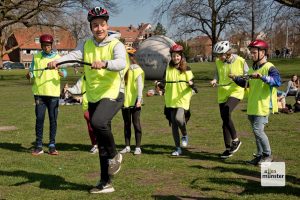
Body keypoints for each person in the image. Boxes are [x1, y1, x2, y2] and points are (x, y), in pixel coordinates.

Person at [47, 6, 129, 193]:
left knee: (98, 122)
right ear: (91, 27)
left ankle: (115, 155)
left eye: (102, 25)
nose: (99, 28)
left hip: (113, 93)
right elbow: (73, 56)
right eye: (95, 25)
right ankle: (105, 182)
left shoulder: (116, 45)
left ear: (107, 25)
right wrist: (57, 61)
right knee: (100, 139)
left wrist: (105, 63)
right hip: (93, 95)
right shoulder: (86, 44)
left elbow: (121, 63)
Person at [231, 39, 281, 166]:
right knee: (256, 132)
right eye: (251, 52)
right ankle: (259, 156)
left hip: (264, 105)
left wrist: (262, 77)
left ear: (262, 52)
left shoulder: (269, 67)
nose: (251, 55)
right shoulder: (252, 69)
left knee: (258, 130)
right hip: (252, 105)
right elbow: (245, 84)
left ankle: (268, 155)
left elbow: (277, 82)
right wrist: (235, 79)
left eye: (254, 52)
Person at [26, 34, 66, 156]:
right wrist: (29, 75)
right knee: (39, 119)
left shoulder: (58, 58)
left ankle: (52, 146)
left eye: (48, 46)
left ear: (51, 45)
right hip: (39, 93)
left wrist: (59, 72)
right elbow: (32, 71)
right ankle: (39, 146)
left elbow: (64, 73)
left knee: (53, 120)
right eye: (44, 46)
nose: (46, 48)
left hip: (53, 94)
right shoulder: (36, 57)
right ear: (41, 46)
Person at [210, 41, 248, 159]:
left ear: (228, 52)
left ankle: (236, 140)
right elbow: (217, 74)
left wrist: (237, 78)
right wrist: (214, 80)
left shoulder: (241, 61)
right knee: (225, 120)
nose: (219, 57)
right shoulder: (218, 62)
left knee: (226, 111)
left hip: (236, 91)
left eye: (221, 54)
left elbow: (248, 76)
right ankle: (228, 148)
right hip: (223, 92)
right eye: (218, 55)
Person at [156, 44, 196, 156]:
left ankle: (184, 134)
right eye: (173, 56)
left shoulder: (186, 68)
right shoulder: (168, 68)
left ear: (181, 56)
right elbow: (163, 82)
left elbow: (193, 83)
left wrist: (191, 84)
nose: (175, 58)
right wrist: (159, 85)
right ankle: (178, 148)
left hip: (183, 98)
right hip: (171, 98)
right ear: (171, 56)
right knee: (173, 124)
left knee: (179, 118)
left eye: (178, 56)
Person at [120, 49, 144, 155]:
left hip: (135, 101)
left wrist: (139, 99)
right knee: (126, 124)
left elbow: (140, 86)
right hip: (125, 101)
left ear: (131, 58)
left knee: (136, 123)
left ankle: (138, 147)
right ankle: (127, 146)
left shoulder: (137, 70)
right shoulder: (123, 70)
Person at [66, 76, 98, 153]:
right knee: (90, 127)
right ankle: (94, 145)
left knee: (98, 126)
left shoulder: (98, 75)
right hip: (87, 106)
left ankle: (101, 144)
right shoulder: (83, 77)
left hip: (98, 104)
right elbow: (76, 89)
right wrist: (68, 89)